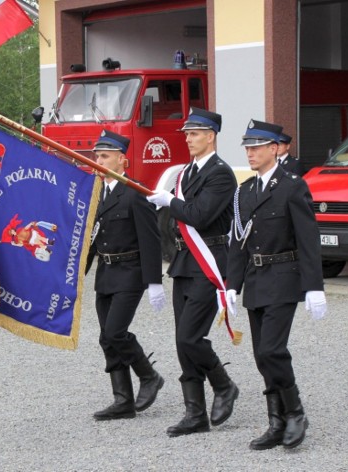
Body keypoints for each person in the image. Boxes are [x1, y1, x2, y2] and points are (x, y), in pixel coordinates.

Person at [225, 119, 327, 450]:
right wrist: (231, 285)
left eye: (256, 147)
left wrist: (314, 287)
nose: (250, 153)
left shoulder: (292, 186)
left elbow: (308, 239)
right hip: (255, 281)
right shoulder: (246, 190)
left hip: (283, 277)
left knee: (272, 350)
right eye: (247, 148)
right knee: (260, 355)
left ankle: (296, 413)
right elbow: (239, 242)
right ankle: (276, 421)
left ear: (274, 149)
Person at [147, 107, 239, 437]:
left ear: (211, 136)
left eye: (195, 133)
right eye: (186, 133)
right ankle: (195, 413)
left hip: (209, 261)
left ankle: (224, 384)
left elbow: (198, 215)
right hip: (185, 262)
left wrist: (169, 202)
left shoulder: (220, 173)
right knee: (181, 340)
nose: (188, 138)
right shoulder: (185, 172)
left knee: (191, 336)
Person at [87, 130, 166, 421]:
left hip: (130, 273)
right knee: (106, 339)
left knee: (115, 331)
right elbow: (93, 240)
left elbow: (151, 239)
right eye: (97, 156)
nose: (99, 160)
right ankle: (122, 400)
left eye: (105, 156)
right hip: (106, 273)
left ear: (123, 160)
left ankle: (149, 376)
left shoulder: (135, 193)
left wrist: (154, 282)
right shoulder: (97, 194)